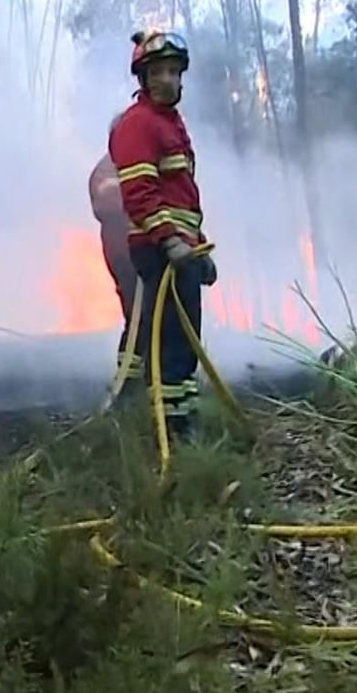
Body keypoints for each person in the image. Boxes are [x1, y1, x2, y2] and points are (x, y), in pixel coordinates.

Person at [107, 30, 218, 437]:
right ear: (143, 78)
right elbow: (140, 194)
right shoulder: (138, 125)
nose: (169, 80)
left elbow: (182, 195)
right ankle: (173, 429)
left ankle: (175, 414)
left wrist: (198, 248)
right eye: (159, 72)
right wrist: (171, 240)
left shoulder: (170, 124)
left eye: (174, 71)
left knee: (181, 337)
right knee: (173, 338)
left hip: (180, 250)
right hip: (159, 249)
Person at [88, 151, 141, 388]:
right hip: (127, 251)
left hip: (142, 248)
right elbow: (107, 204)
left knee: (148, 316)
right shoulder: (108, 170)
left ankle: (143, 376)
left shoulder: (142, 157)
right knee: (138, 315)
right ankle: (129, 383)